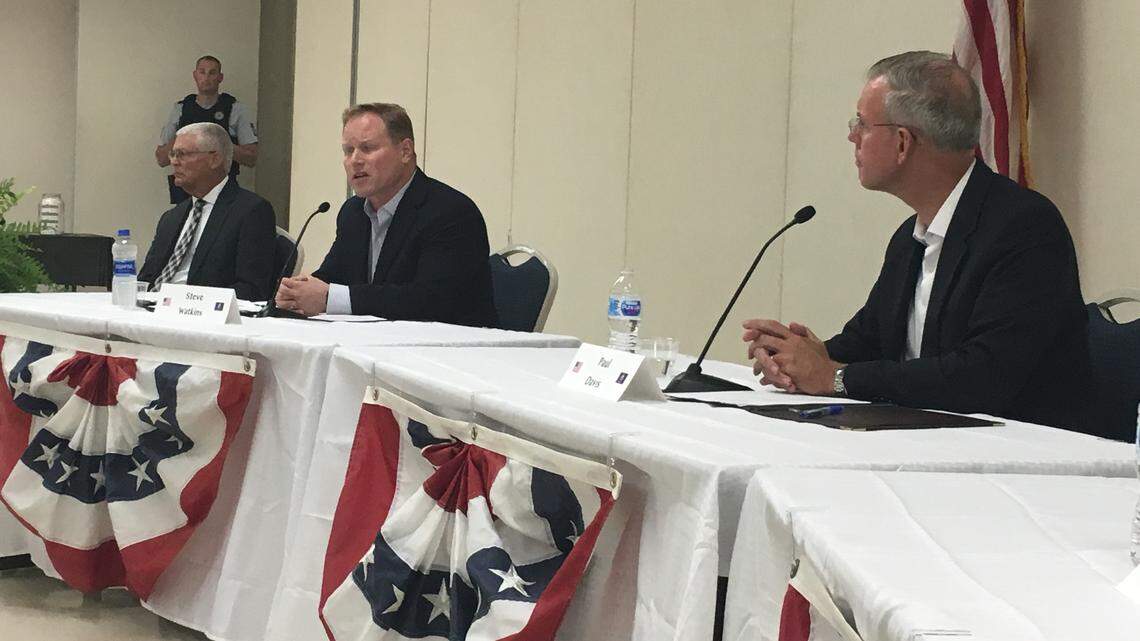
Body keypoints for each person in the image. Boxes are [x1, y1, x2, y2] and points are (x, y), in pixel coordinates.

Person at [743, 51, 1089, 430]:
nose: (851, 136)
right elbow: (867, 342)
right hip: (928, 443)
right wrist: (798, 357)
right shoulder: (910, 239)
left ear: (903, 142)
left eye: (861, 123)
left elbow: (981, 376)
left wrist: (833, 377)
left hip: (1021, 461)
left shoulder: (1023, 228)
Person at [274, 102, 498, 327]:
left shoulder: (449, 212)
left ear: (405, 151)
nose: (355, 160)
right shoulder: (353, 212)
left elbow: (430, 301)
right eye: (348, 151)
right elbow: (333, 275)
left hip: (451, 350)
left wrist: (330, 298)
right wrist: (299, 291)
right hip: (376, 345)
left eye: (368, 148)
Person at [139, 122, 276, 301]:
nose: (174, 161)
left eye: (182, 154)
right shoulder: (172, 217)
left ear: (215, 159)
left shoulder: (251, 211)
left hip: (200, 315)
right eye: (173, 154)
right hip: (152, 311)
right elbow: (146, 279)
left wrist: (185, 301)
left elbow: (251, 289)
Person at [155, 55, 258, 204]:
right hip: (186, 190)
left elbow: (251, 157)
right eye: (202, 72)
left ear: (220, 77)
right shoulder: (181, 109)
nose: (207, 77)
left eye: (212, 73)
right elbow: (161, 159)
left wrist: (217, 140)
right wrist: (183, 136)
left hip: (223, 190)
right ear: (195, 75)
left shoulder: (235, 109)